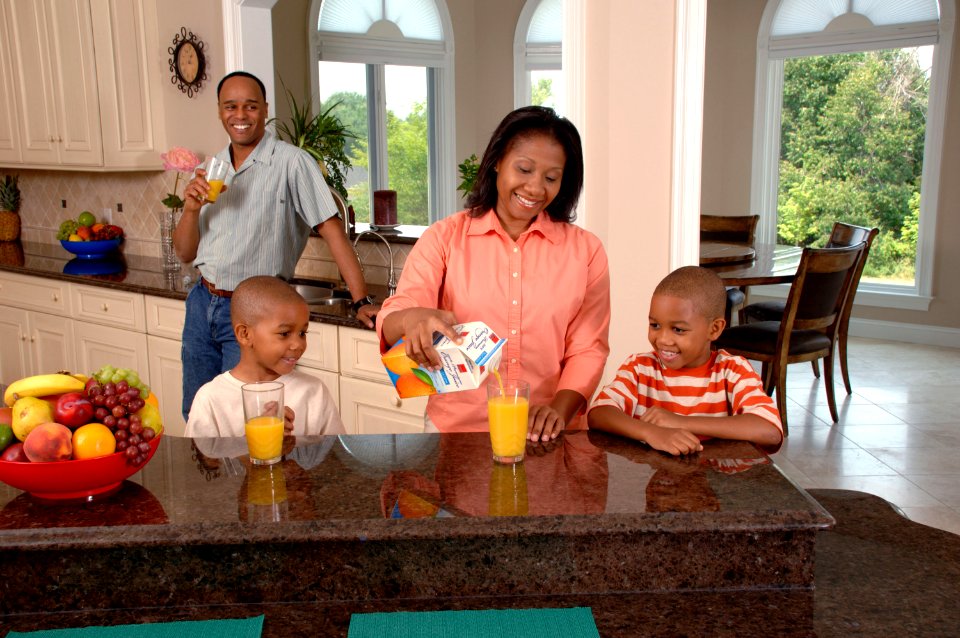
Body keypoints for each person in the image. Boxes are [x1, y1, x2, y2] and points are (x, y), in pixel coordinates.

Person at [376, 106, 610, 440]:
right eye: (524, 169)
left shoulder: (586, 252)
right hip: (458, 432)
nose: (534, 187)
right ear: (498, 160)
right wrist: (413, 318)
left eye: (551, 177)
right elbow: (396, 313)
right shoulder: (444, 238)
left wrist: (557, 411)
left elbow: (589, 348)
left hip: (546, 434)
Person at [173, 71, 377, 420]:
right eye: (231, 106)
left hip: (254, 315)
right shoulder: (212, 169)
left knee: (246, 419)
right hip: (202, 303)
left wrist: (361, 301)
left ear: (265, 109)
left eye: (250, 106)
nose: (240, 115)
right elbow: (185, 253)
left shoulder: (292, 163)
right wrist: (190, 209)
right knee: (198, 414)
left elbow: (332, 230)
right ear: (220, 112)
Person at [588, 266, 783, 456]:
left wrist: (680, 422)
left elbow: (769, 431)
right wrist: (652, 432)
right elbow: (599, 413)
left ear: (714, 329)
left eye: (678, 330)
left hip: (718, 484)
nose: (663, 339)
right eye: (655, 325)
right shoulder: (640, 368)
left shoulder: (732, 371)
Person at [186, 276, 345, 438]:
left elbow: (338, 457)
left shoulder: (314, 392)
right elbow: (203, 461)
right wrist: (254, 440)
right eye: (284, 333)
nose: (298, 344)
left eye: (302, 333)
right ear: (245, 334)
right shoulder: (211, 400)